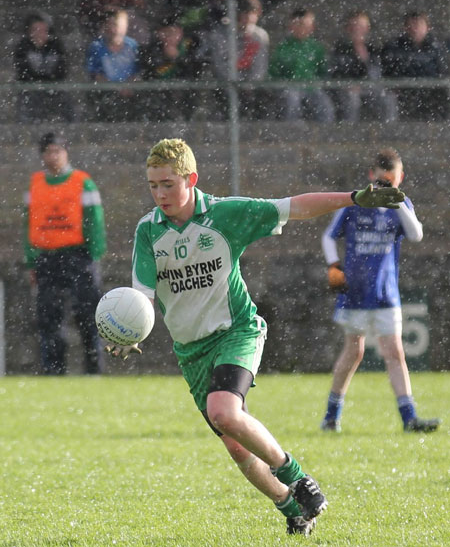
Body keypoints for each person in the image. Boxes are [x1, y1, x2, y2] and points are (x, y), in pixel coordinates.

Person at [104, 138, 405, 536]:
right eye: (153, 185)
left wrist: (353, 198)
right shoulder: (148, 232)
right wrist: (127, 333)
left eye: (168, 184)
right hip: (191, 352)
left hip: (237, 331)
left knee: (225, 412)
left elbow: (295, 206)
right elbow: (140, 299)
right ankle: (292, 508)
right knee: (235, 443)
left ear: (191, 179)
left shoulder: (227, 215)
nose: (160, 194)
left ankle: (298, 478)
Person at [320, 147, 440, 433]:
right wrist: (334, 266)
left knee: (394, 352)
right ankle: (331, 416)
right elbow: (328, 237)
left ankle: (409, 418)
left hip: (386, 293)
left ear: (400, 178)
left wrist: (397, 203)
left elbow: (416, 234)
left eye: (392, 180)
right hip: (355, 293)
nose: (386, 185)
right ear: (371, 176)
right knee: (354, 351)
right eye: (382, 180)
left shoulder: (401, 205)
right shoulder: (356, 203)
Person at [24, 133, 107, 375]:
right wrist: (31, 261)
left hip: (78, 256)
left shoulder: (83, 182)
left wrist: (93, 257)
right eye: (49, 151)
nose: (53, 156)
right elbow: (27, 224)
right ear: (42, 155)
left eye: (57, 150)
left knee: (88, 316)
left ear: (66, 152)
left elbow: (95, 222)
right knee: (49, 319)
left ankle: (93, 371)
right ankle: (54, 372)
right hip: (47, 258)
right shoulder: (35, 184)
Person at [269, 8, 335, 122]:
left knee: (325, 105)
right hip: (289, 87)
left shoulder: (316, 48)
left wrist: (317, 83)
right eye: (298, 24)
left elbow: (323, 71)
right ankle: (292, 130)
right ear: (291, 26)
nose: (302, 28)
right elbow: (274, 71)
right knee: (292, 100)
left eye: (305, 25)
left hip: (311, 87)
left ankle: (325, 133)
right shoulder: (283, 47)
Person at [331, 10, 397, 123]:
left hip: (370, 88)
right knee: (352, 99)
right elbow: (337, 72)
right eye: (354, 26)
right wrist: (348, 84)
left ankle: (389, 130)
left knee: (388, 98)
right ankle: (348, 130)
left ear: (367, 28)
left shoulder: (373, 50)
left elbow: (378, 73)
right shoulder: (340, 49)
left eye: (361, 26)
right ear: (348, 28)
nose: (357, 29)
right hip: (348, 89)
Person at [381, 11, 448, 120]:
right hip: (403, 90)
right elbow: (388, 70)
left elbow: (442, 71)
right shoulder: (394, 47)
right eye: (411, 25)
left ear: (427, 27)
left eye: (419, 25)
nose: (415, 28)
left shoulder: (436, 48)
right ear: (405, 28)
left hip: (431, 91)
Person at [13, 11, 73, 123]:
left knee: (65, 100)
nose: (41, 34)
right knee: (27, 99)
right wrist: (39, 80)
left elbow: (62, 68)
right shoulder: (22, 47)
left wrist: (49, 80)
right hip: (31, 88)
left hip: (53, 87)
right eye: (37, 30)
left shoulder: (56, 46)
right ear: (30, 32)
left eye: (44, 30)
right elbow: (22, 70)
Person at [86, 8, 140, 121]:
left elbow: (138, 71)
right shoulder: (96, 47)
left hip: (130, 94)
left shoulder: (133, 46)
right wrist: (116, 88)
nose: (115, 29)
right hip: (105, 94)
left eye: (118, 25)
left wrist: (128, 86)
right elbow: (94, 73)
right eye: (111, 25)